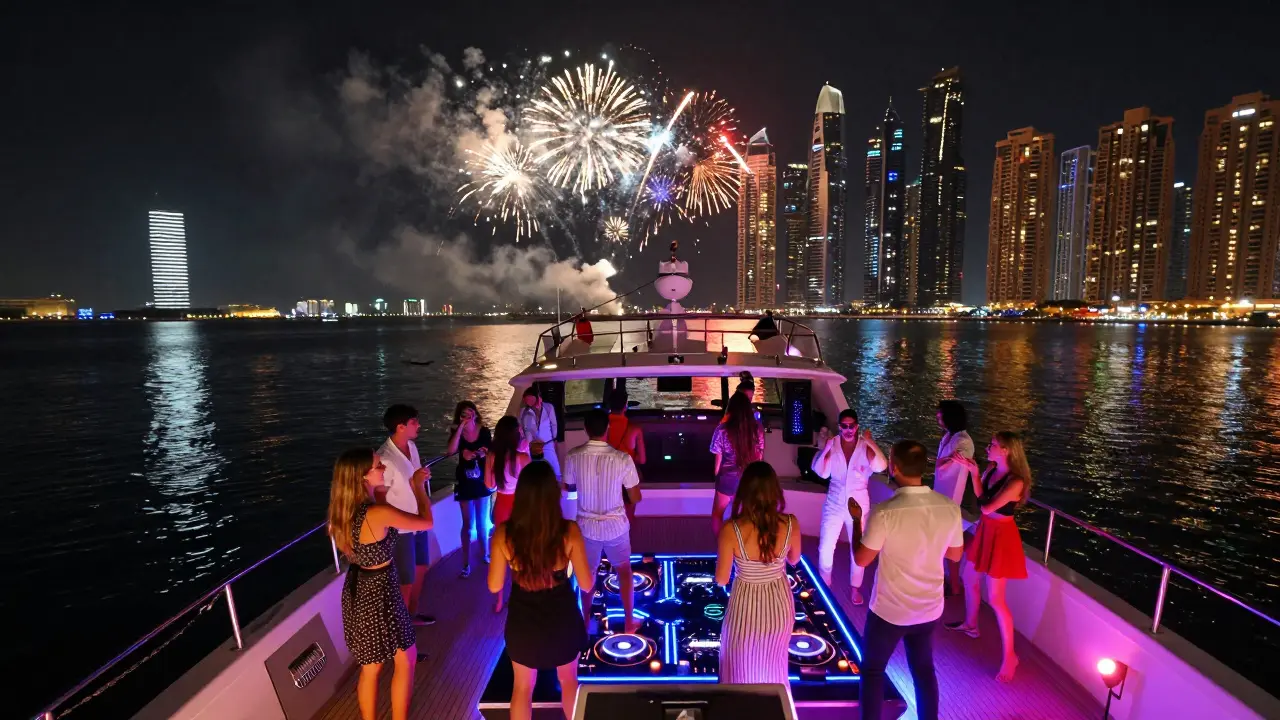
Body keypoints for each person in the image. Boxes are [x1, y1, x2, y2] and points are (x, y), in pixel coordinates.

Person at [852, 441, 964, 720]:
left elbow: (862, 559)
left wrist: (857, 521)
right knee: (924, 671)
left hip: (890, 611)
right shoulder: (949, 508)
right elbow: (954, 554)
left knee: (873, 670)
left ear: (894, 468)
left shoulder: (885, 511)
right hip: (928, 608)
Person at [328, 448, 435, 720]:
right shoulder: (377, 513)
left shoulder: (344, 511)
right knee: (406, 657)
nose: (383, 469)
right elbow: (426, 522)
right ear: (363, 476)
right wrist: (418, 487)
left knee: (371, 666)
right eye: (378, 466)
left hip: (360, 587)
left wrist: (381, 494)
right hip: (382, 589)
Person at [488, 462, 592, 720]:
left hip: (523, 622)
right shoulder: (569, 531)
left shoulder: (504, 534)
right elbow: (587, 584)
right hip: (563, 619)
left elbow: (494, 585)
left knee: (522, 687)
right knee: (569, 682)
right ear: (552, 494)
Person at [945, 431, 1032, 683]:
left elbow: (985, 505)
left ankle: (1010, 656)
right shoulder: (991, 471)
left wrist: (973, 474)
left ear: (1006, 450)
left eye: (993, 445)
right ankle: (971, 625)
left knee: (996, 599)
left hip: (1002, 537)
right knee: (969, 577)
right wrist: (976, 474)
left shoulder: (1015, 482)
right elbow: (981, 500)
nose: (988, 447)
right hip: (986, 529)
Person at [714, 461, 802, 685]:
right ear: (775, 490)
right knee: (774, 665)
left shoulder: (730, 529)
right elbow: (794, 559)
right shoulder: (791, 523)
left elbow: (721, 579)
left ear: (744, 491)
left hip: (746, 602)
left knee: (738, 666)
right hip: (779, 604)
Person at [566, 409, 642, 633]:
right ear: (607, 429)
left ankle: (585, 617)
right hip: (616, 526)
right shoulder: (622, 458)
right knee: (624, 570)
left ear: (585, 429)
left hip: (586, 527)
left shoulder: (573, 455)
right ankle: (629, 622)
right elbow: (636, 496)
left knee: (587, 574)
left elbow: (569, 489)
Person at [811, 409, 887, 605]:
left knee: (857, 548)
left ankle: (855, 588)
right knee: (826, 546)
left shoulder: (864, 446)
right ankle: (824, 586)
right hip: (834, 502)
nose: (848, 430)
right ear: (839, 426)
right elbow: (821, 472)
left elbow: (881, 466)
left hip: (858, 506)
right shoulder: (832, 443)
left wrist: (870, 441)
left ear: (857, 426)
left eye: (851, 425)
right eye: (844, 426)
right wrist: (826, 448)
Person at [376, 404, 435, 626]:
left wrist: (422, 478)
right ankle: (402, 630)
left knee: (421, 566)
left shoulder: (411, 446)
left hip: (417, 519)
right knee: (405, 580)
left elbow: (414, 479)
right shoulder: (385, 458)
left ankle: (411, 614)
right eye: (414, 422)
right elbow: (379, 498)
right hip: (400, 529)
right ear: (401, 427)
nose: (418, 425)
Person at [485, 415, 531, 613]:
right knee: (521, 553)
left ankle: (499, 601)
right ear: (515, 434)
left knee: (502, 553)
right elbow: (530, 488)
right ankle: (521, 596)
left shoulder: (492, 457)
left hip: (501, 505)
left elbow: (489, 485)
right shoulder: (522, 458)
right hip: (519, 506)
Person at [934, 400, 979, 595]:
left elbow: (940, 466)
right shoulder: (948, 437)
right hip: (940, 498)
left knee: (950, 546)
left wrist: (948, 459)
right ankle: (950, 584)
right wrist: (948, 458)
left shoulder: (964, 442)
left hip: (952, 502)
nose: (937, 417)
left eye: (940, 414)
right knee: (944, 544)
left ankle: (953, 587)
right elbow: (940, 464)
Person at [709, 391, 765, 536]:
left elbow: (717, 463)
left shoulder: (722, 429)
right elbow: (760, 458)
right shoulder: (757, 429)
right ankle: (744, 548)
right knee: (746, 517)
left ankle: (722, 545)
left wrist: (718, 481)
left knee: (717, 514)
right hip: (749, 479)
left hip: (727, 479)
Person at [447, 401, 492, 577]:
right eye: (464, 414)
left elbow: (489, 449)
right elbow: (450, 451)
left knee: (482, 522)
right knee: (467, 524)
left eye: (470, 412)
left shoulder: (484, 431)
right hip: (465, 481)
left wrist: (480, 453)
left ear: (475, 413)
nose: (468, 416)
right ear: (459, 416)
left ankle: (485, 554)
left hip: (481, 479)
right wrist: (460, 429)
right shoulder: (456, 432)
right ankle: (466, 563)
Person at [605, 388, 646, 522]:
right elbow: (643, 460)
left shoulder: (602, 426)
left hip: (606, 475)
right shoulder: (634, 429)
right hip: (627, 476)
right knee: (628, 515)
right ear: (626, 405)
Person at [519, 386, 561, 481]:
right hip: (532, 445)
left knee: (553, 466)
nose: (529, 402)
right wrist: (525, 440)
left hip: (548, 442)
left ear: (536, 397)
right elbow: (521, 427)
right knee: (534, 468)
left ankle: (557, 483)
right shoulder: (524, 411)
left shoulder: (548, 407)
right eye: (527, 400)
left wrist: (554, 438)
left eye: (531, 399)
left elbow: (554, 424)